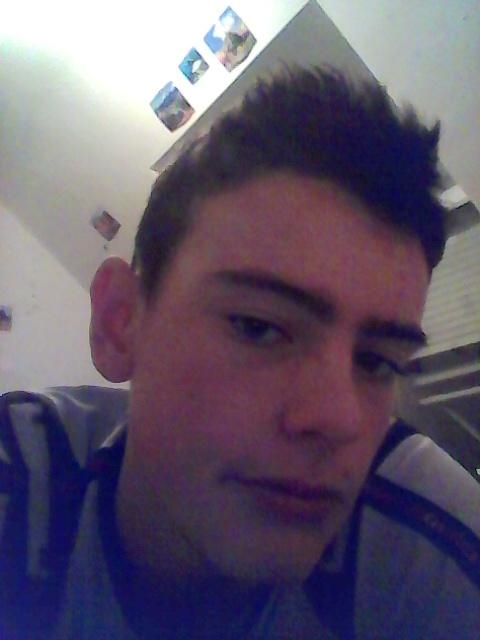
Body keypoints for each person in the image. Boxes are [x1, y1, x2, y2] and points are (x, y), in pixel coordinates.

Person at [1, 66, 479, 639]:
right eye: (258, 328)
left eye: (376, 362)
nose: (339, 419)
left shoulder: (426, 542)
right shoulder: (22, 485)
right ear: (119, 323)